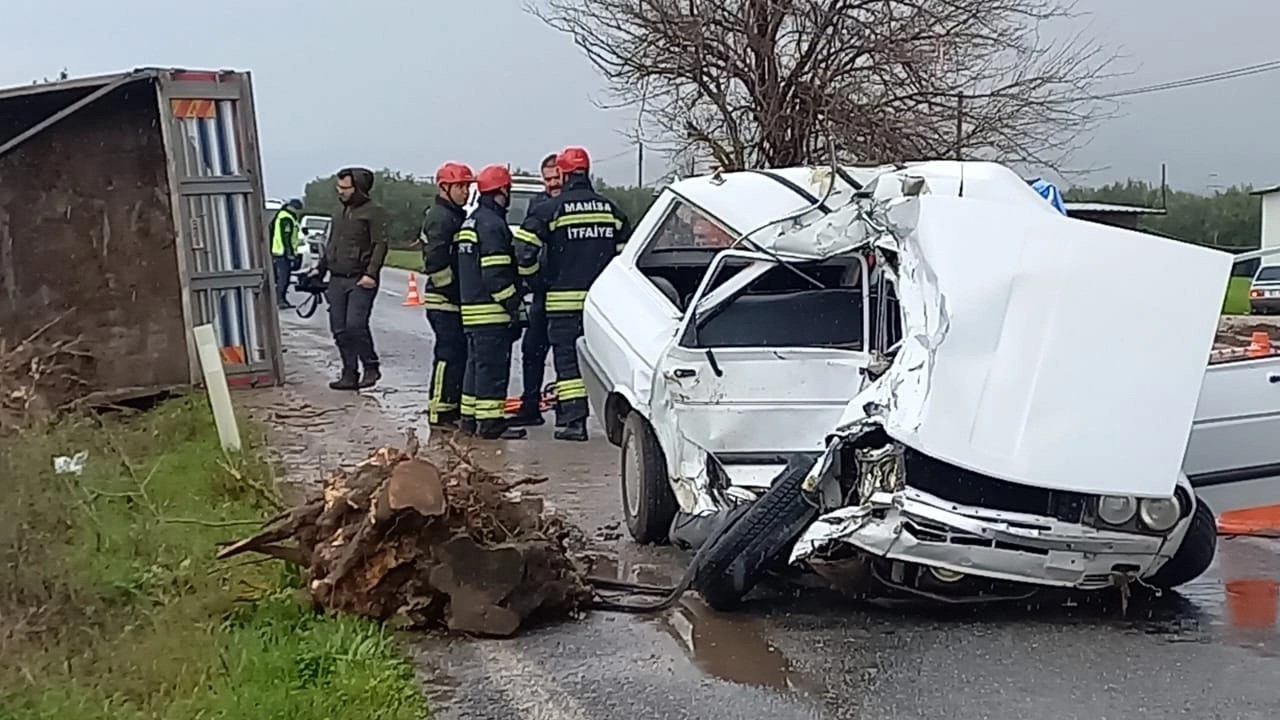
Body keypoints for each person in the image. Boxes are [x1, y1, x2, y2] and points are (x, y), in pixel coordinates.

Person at [514, 146, 632, 441]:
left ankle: (572, 422)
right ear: (587, 172)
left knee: (567, 362)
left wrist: (536, 282)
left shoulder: (549, 210)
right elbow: (625, 258)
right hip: (600, 306)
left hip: (562, 301)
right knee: (601, 361)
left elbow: (523, 251)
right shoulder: (610, 210)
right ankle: (616, 422)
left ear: (564, 174)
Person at [456, 164, 528, 440]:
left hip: (472, 311)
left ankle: (469, 419)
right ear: (502, 191)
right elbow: (496, 273)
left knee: (475, 368)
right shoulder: (493, 225)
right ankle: (490, 424)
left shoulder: (471, 221)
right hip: (491, 313)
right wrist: (514, 307)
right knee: (493, 370)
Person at [311, 167, 388, 391]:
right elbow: (332, 243)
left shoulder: (374, 212)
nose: (340, 191)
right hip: (336, 278)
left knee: (355, 325)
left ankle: (370, 366)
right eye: (339, 187)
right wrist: (319, 269)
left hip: (360, 279)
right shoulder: (339, 212)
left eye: (345, 187)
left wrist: (371, 274)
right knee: (339, 329)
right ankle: (349, 373)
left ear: (359, 188)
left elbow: (380, 245)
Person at [420, 162, 475, 427]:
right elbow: (436, 263)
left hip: (453, 299)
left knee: (457, 354)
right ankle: (439, 409)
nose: (465, 191)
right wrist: (454, 292)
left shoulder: (455, 215)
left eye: (467, 186)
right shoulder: (441, 218)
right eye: (460, 186)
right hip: (444, 300)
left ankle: (450, 407)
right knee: (448, 354)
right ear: (445, 187)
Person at [509, 152, 562, 427]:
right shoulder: (539, 204)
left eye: (556, 178)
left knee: (568, 356)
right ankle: (531, 405)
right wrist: (531, 281)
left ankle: (569, 410)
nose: (552, 184)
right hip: (543, 288)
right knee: (532, 349)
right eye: (547, 179)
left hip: (570, 289)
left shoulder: (575, 204)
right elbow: (527, 247)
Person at [270, 198, 303, 309]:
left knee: (283, 277)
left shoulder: (284, 216)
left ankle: (281, 299)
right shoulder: (286, 218)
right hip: (282, 252)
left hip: (280, 252)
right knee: (284, 277)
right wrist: (290, 253)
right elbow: (286, 237)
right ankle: (280, 300)